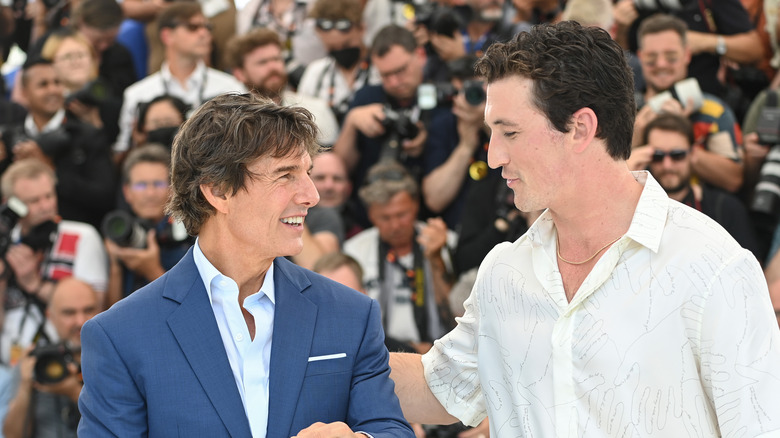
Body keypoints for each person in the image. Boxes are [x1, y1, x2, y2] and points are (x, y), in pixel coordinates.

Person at [389, 21, 780, 436]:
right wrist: (324, 333)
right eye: (491, 133)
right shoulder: (504, 271)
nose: (493, 155)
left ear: (580, 128)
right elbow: (440, 387)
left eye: (510, 132)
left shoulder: (713, 268)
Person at [77, 93, 414, 437]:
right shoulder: (120, 335)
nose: (311, 195)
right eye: (285, 175)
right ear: (218, 191)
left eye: (306, 172)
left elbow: (389, 428)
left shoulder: (351, 314)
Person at [0, 159, 107, 366]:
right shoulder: (5, 244)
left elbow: (95, 308)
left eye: (49, 196)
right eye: (34, 201)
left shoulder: (82, 235)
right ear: (12, 205)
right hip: (9, 365)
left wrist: (35, 284)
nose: (45, 206)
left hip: (65, 360)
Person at [343, 161, 457, 355]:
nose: (395, 225)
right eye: (385, 218)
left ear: (415, 205)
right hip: (377, 354)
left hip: (441, 353)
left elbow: (458, 313)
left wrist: (436, 259)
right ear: (370, 214)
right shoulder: (354, 251)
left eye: (402, 214)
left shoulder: (446, 242)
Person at [631, 14, 744, 194]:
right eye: (651, 58)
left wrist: (682, 139)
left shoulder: (712, 110)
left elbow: (734, 179)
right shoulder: (625, 110)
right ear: (640, 57)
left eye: (671, 57)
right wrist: (634, 137)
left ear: (687, 55)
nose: (661, 64)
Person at [114, 2, 246, 156]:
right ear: (167, 35)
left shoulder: (230, 88)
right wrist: (140, 144)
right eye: (193, 27)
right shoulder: (138, 94)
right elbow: (123, 155)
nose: (204, 33)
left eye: (207, 27)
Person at [6, 57, 116, 230]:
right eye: (43, 84)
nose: (53, 90)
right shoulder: (9, 138)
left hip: (78, 235)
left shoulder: (88, 135)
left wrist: (50, 170)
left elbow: (105, 197)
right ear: (25, 92)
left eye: (57, 83)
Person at [632, 112, 760, 257]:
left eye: (677, 155)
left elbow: (750, 272)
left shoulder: (726, 209)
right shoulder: (632, 210)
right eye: (658, 156)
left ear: (693, 154)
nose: (667, 165)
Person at [2, 278, 99, 438]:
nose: (80, 321)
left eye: (88, 310)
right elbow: (13, 435)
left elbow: (119, 427)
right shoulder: (36, 361)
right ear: (50, 316)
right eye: (69, 312)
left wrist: (75, 393)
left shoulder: (113, 360)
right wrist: (26, 387)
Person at [104, 144, 192, 307]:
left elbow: (192, 307)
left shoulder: (190, 233)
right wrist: (115, 266)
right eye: (141, 185)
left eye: (158, 184)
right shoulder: (122, 233)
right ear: (127, 192)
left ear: (172, 189)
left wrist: (152, 270)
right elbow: (110, 315)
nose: (150, 194)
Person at [225, 27, 339, 146]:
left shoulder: (315, 109)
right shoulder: (229, 120)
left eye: (277, 59)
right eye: (262, 62)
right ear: (240, 73)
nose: (273, 67)